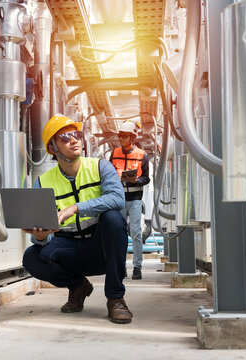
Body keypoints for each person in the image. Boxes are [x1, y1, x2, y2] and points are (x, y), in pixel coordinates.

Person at [22, 114, 133, 324]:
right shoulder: (43, 182)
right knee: (32, 257)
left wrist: (75, 208)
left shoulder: (100, 167)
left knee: (113, 219)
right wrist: (41, 237)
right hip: (68, 249)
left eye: (77, 135)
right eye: (65, 137)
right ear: (53, 148)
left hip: (100, 247)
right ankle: (77, 286)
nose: (74, 140)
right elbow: (41, 237)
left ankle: (115, 298)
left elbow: (118, 198)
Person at [109, 121, 150, 280]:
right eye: (120, 135)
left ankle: (137, 267)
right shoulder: (114, 153)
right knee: (119, 234)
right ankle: (120, 267)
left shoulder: (142, 155)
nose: (121, 138)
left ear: (132, 137)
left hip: (134, 200)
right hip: (119, 199)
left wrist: (135, 181)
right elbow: (109, 174)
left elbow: (146, 178)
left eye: (124, 136)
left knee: (136, 233)